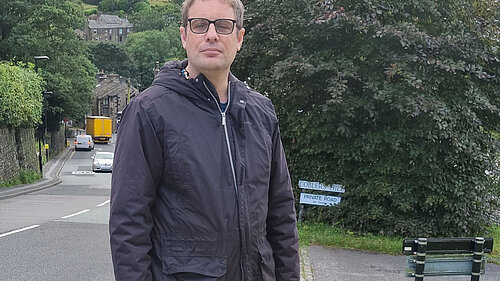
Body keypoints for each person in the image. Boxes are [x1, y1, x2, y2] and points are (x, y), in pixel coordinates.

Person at [109, 0, 300, 280]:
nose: (211, 35)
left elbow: (281, 214)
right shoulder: (149, 112)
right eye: (200, 25)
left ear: (239, 38)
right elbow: (129, 224)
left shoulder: (261, 113)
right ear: (184, 36)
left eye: (223, 25)